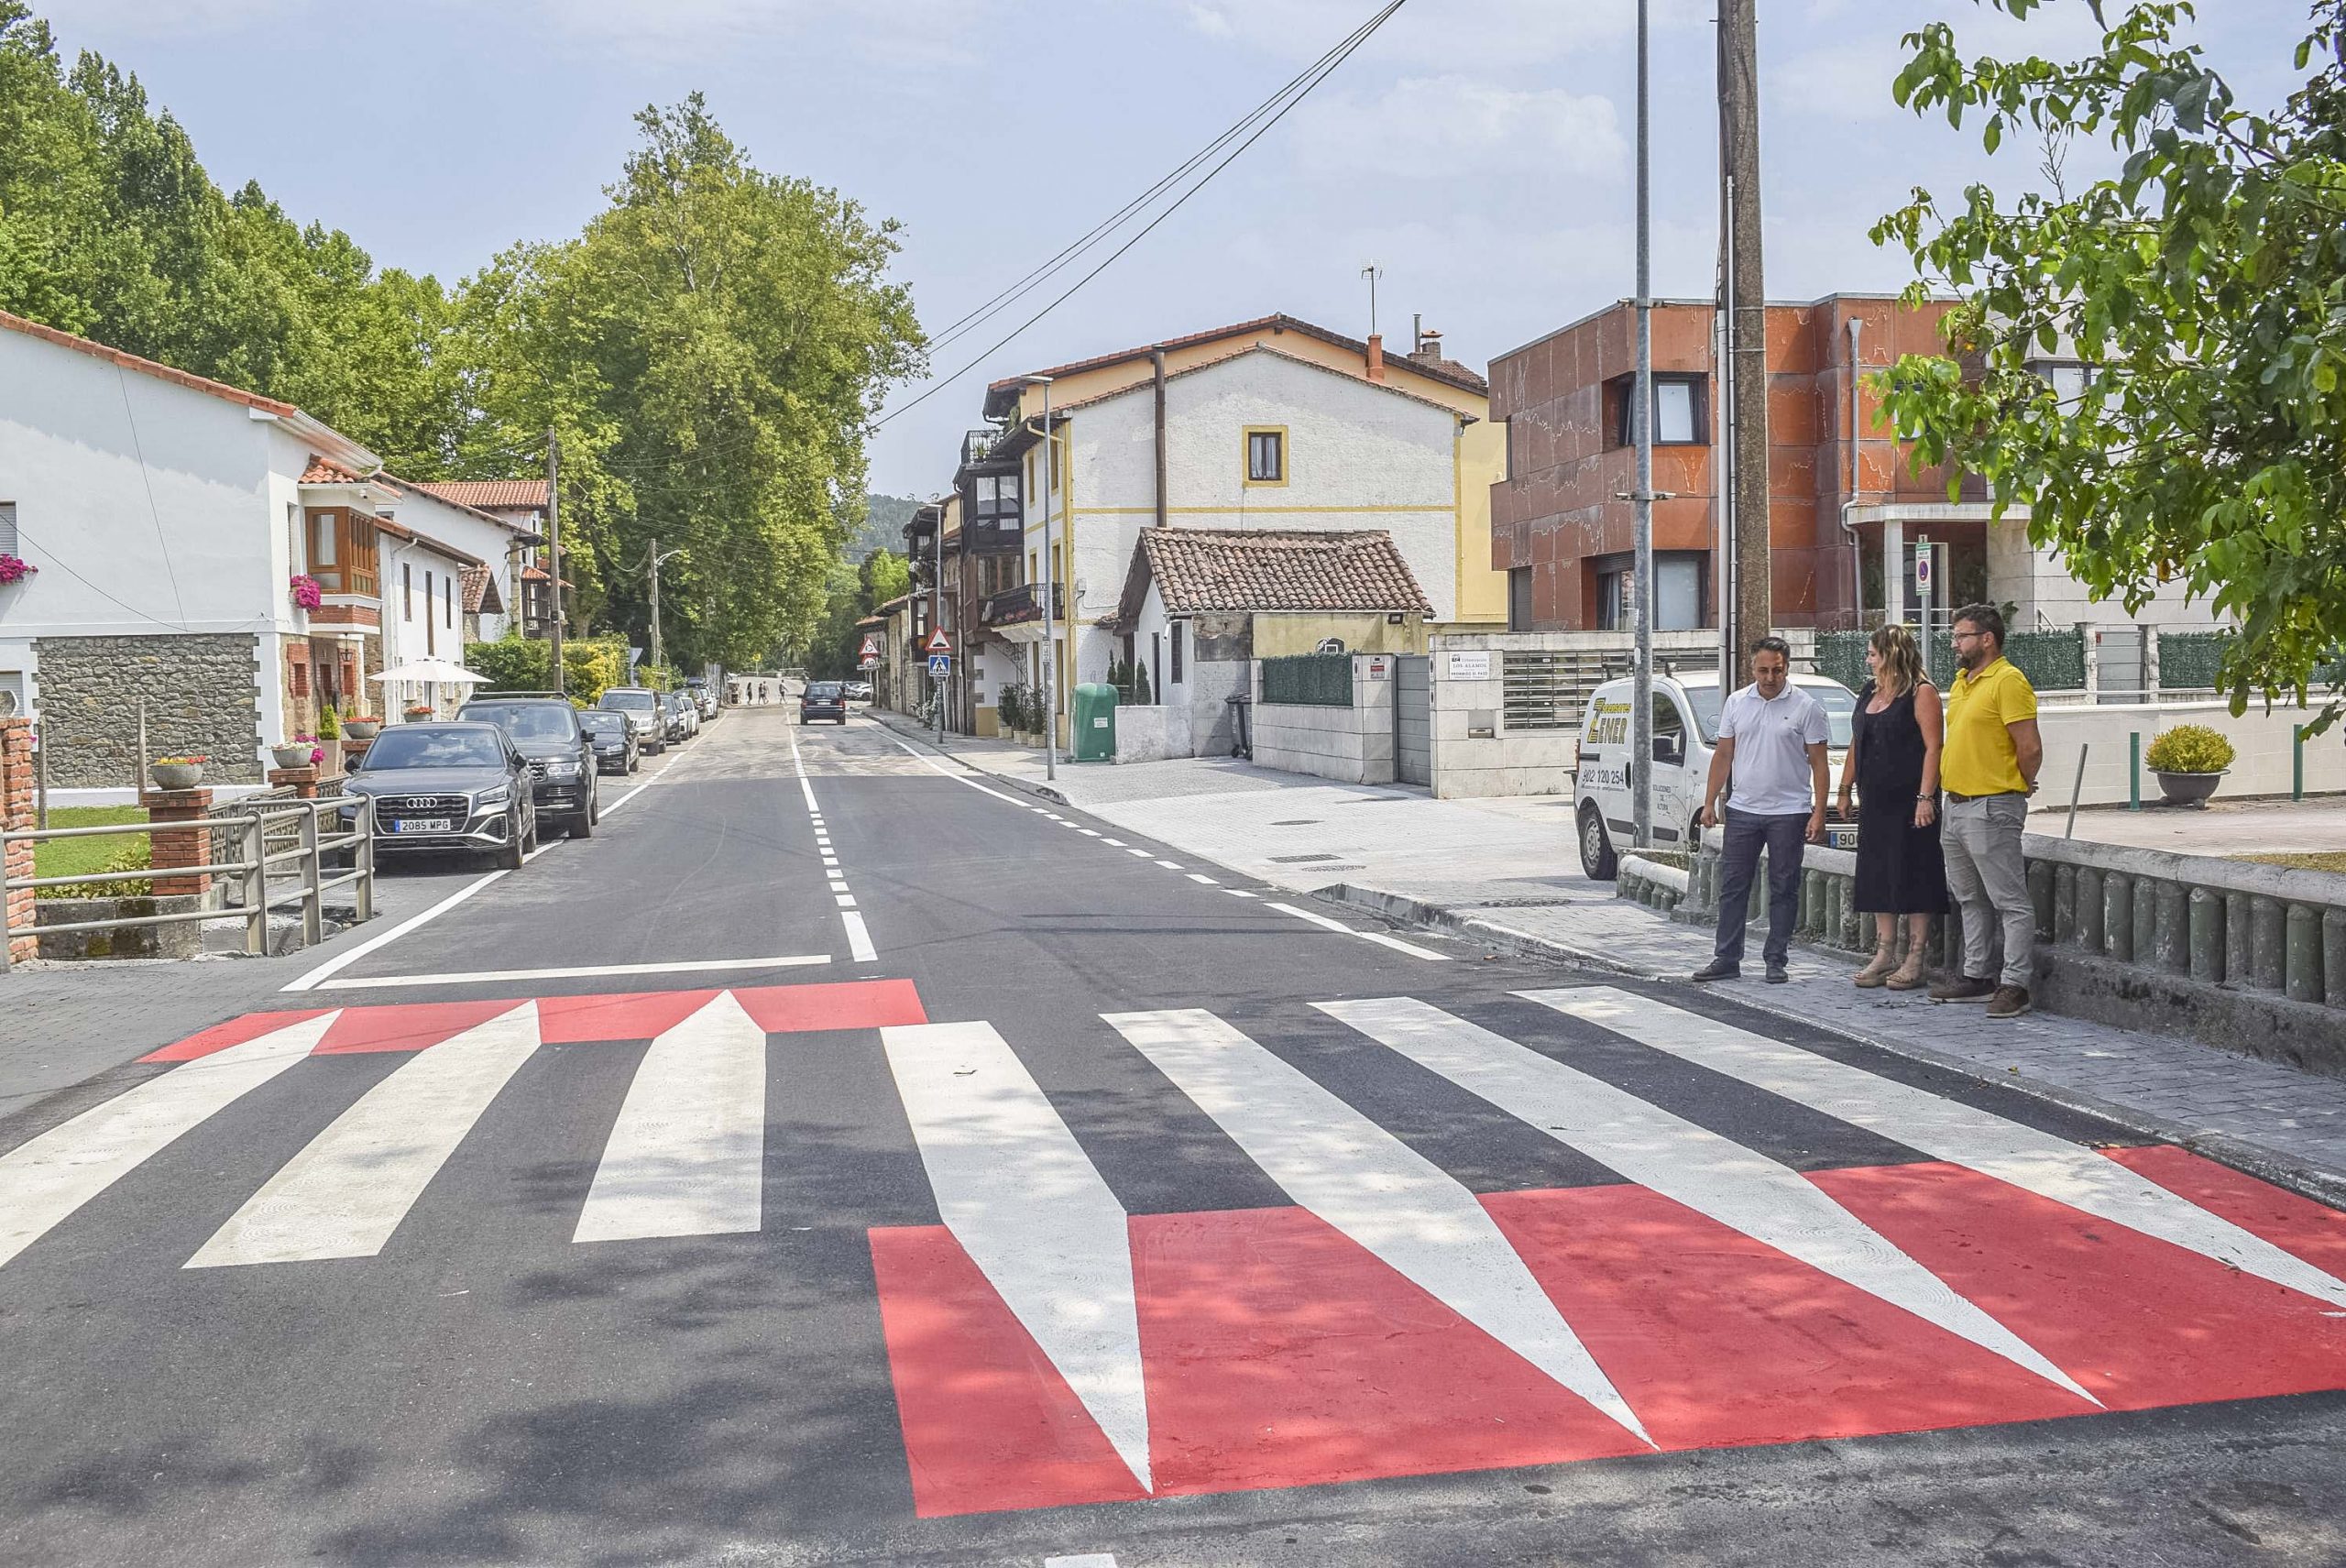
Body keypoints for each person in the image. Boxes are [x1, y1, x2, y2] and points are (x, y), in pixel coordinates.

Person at [1693, 636, 1832, 985]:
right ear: (1752, 668)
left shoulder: (1806, 707)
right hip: (1742, 809)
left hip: (1789, 811)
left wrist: (1818, 812)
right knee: (1733, 885)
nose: (1770, 677)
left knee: (1784, 886)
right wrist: (1710, 802)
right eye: (1763, 670)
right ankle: (1726, 958)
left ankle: (1776, 959)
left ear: (1787, 667)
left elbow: (1819, 763)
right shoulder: (1737, 702)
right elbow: (1724, 754)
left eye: (1777, 670)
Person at [1930, 603, 2043, 1018]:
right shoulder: (1964, 682)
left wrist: (2020, 784)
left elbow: (2029, 746)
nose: (1955, 643)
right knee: (1969, 897)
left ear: (1987, 639)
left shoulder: (2008, 681)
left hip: (1992, 805)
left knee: (2009, 901)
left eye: (1962, 636)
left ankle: (2015, 984)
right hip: (1956, 804)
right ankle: (1977, 975)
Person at [1836, 623, 1947, 990]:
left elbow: (1934, 747)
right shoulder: (1870, 691)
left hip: (1911, 802)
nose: (1868, 661)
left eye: (1873, 654)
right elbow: (1858, 740)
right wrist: (1845, 787)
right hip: (1876, 800)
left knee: (1915, 871)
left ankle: (1916, 954)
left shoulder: (1921, 692)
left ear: (1891, 655)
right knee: (1878, 872)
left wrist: (1925, 797)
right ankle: (1885, 952)